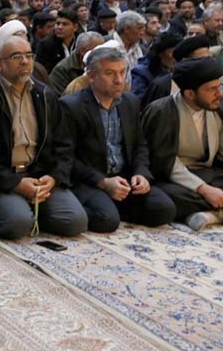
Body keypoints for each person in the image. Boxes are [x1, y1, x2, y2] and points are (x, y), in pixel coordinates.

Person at [0, 32, 88, 239]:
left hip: (39, 174)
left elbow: (64, 144)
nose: (25, 61)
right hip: (2, 180)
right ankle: (16, 209)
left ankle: (32, 208)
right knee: (18, 224)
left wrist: (54, 177)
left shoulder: (45, 94)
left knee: (75, 221)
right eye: (16, 56)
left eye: (29, 55)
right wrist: (15, 184)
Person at [61, 45, 175, 232]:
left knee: (165, 209)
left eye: (122, 72)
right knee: (107, 221)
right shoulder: (72, 106)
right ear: (91, 76)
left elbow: (140, 145)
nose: (119, 80)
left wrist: (141, 173)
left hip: (123, 176)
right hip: (90, 180)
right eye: (110, 74)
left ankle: (115, 205)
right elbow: (67, 157)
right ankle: (105, 207)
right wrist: (103, 182)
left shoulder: (130, 102)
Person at [143, 58, 223, 231]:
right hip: (173, 179)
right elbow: (165, 163)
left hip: (208, 174)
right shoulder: (162, 111)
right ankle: (214, 211)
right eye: (212, 89)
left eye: (219, 86)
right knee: (166, 199)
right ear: (190, 94)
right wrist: (204, 189)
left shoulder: (216, 108)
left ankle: (212, 214)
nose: (219, 94)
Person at [49, 31, 103, 96]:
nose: (102, 54)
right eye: (98, 50)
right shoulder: (62, 69)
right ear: (83, 51)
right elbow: (62, 98)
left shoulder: (102, 65)